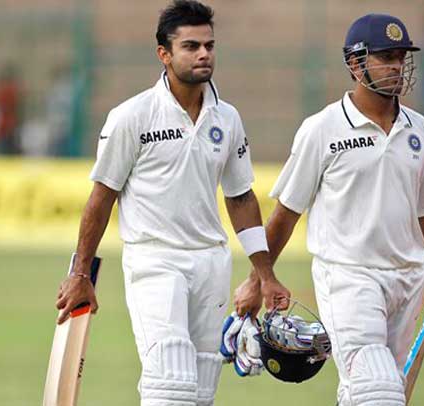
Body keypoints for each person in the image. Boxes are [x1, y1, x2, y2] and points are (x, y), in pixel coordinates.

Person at [54, 1, 290, 405]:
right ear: (164, 54)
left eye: (209, 46)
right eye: (191, 46)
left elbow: (240, 198)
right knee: (171, 379)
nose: (203, 54)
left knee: (199, 390)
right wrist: (81, 273)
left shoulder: (227, 119)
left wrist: (263, 275)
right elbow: (102, 197)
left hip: (210, 262)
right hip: (155, 260)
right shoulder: (133, 116)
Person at [235, 14, 424, 405]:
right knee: (380, 390)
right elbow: (286, 213)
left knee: (362, 392)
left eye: (401, 57)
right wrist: (258, 280)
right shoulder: (322, 129)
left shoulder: (419, 129)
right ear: (355, 64)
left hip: (408, 278)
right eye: (385, 57)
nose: (396, 67)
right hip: (348, 277)